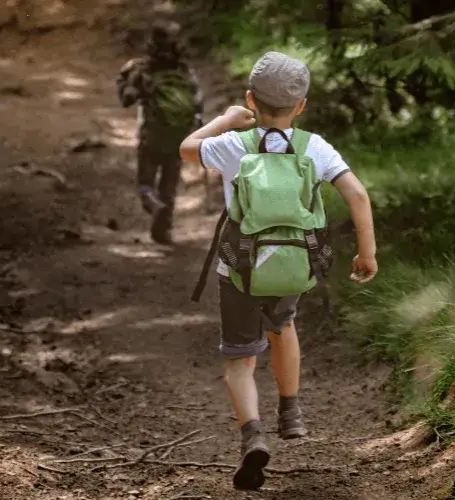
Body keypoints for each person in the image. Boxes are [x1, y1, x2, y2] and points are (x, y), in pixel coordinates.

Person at [178, 51, 379, 490]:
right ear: (301, 106)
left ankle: (252, 435)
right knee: (283, 325)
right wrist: (367, 254)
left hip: (240, 269)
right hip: (293, 265)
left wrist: (225, 120)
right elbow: (358, 195)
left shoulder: (234, 144)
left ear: (251, 100)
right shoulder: (314, 147)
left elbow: (187, 149)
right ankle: (291, 410)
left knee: (240, 359)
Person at [116, 19, 203, 244]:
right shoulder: (185, 71)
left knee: (146, 183)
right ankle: (162, 231)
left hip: (151, 136)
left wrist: (130, 83)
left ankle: (152, 203)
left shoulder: (142, 70)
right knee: (169, 185)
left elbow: (126, 99)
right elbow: (197, 103)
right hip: (178, 137)